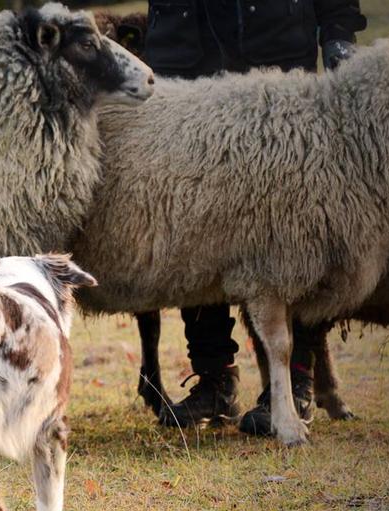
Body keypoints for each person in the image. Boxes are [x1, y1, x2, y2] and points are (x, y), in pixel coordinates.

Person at [143, 0, 367, 433]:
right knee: (196, 233)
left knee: (295, 239)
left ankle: (297, 381)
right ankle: (215, 378)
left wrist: (338, 34)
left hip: (277, 65)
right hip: (188, 69)